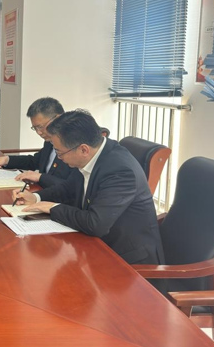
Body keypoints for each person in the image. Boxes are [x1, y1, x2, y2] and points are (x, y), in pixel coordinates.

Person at [14, 109, 164, 265]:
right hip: (94, 246)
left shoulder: (120, 171)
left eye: (60, 152)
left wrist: (52, 208)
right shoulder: (93, 154)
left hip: (127, 262)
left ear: (83, 149)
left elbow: (95, 224)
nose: (59, 158)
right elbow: (68, 188)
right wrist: (36, 197)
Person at [0, 97, 73, 188]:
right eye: (35, 128)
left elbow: (73, 187)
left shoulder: (74, 145)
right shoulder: (49, 141)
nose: (39, 132)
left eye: (40, 127)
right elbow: (35, 161)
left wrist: (40, 177)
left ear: (58, 118)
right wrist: (7, 160)